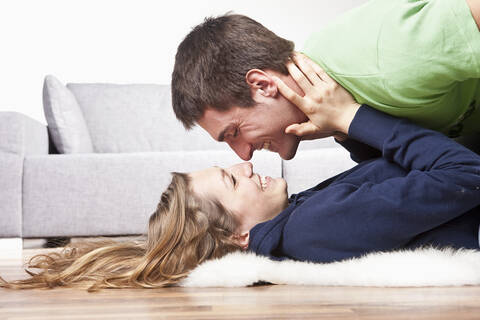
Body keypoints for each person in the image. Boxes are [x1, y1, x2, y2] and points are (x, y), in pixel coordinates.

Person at [2, 70, 480, 291]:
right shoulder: (315, 229)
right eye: (232, 182)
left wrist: (338, 125)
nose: (245, 166)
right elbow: (467, 175)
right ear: (237, 234)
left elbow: (383, 185)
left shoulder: (301, 217)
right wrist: (353, 117)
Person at [171, 0, 480, 162]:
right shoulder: (336, 102)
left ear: (263, 85)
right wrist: (347, 129)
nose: (243, 154)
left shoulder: (386, 58)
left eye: (234, 132)